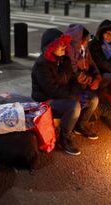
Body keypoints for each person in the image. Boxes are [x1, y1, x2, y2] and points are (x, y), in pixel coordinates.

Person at [31, 28, 82, 156]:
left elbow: (73, 79)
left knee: (91, 98)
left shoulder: (64, 59)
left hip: (61, 95)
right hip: (46, 100)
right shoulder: (42, 65)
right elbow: (51, 90)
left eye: (65, 43)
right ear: (50, 47)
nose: (64, 46)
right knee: (74, 106)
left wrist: (75, 92)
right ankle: (64, 139)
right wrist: (72, 96)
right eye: (61, 44)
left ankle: (80, 125)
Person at [66, 24, 101, 140]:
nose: (88, 42)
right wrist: (90, 81)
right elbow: (74, 73)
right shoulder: (69, 52)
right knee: (89, 99)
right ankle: (68, 133)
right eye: (86, 39)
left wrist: (97, 77)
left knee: (94, 98)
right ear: (78, 40)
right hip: (71, 86)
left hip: (82, 84)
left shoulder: (84, 49)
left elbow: (92, 64)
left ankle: (81, 124)